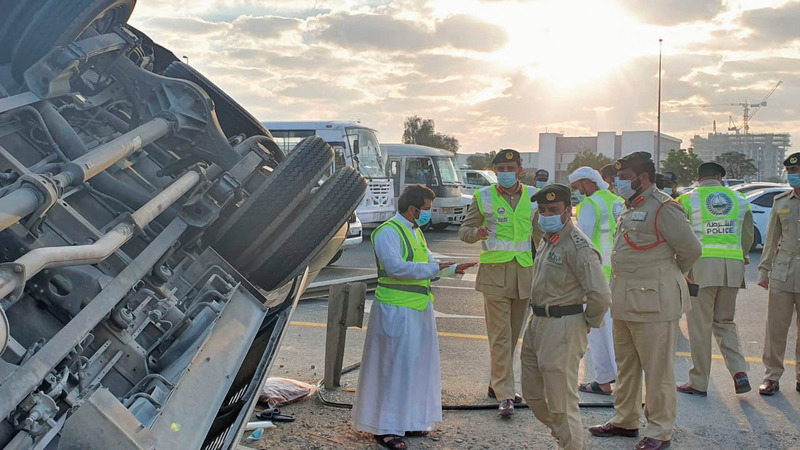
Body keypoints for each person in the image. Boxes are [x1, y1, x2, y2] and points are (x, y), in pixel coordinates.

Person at [589, 151, 701, 450]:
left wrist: (670, 276)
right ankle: (625, 420)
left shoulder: (664, 208)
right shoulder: (629, 207)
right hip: (624, 300)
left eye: (624, 178)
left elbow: (691, 249)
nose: (618, 184)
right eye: (616, 179)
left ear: (644, 177)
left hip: (655, 302)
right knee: (626, 366)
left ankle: (660, 430)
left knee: (657, 369)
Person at [353, 184, 477, 449]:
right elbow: (396, 267)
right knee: (393, 369)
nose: (428, 215)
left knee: (415, 368)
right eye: (427, 209)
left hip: (419, 307)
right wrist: (435, 268)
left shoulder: (415, 231)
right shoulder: (387, 232)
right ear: (412, 209)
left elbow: (429, 263)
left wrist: (451, 268)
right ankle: (386, 428)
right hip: (395, 310)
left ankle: (409, 420)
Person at [521, 184, 611, 450]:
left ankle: (571, 442)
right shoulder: (547, 238)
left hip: (563, 325)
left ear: (568, 210)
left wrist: (587, 323)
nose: (546, 214)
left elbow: (600, 295)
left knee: (562, 400)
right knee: (533, 393)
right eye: (542, 210)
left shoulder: (578, 245)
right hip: (537, 322)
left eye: (553, 209)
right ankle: (565, 435)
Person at [459, 148, 536, 416]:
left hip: (524, 274)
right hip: (494, 275)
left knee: (513, 337)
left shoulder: (533, 197)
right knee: (500, 336)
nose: (505, 173)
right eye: (500, 169)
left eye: (510, 168)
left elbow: (541, 236)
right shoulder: (483, 196)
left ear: (520, 170)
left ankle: (496, 382)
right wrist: (476, 231)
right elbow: (464, 233)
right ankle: (505, 394)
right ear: (494, 172)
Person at [676, 162, 753, 396]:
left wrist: (680, 269)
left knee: (700, 327)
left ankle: (699, 381)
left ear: (698, 178)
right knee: (725, 322)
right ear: (720, 177)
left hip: (700, 269)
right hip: (732, 268)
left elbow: (681, 238)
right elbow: (747, 237)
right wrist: (740, 260)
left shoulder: (687, 200)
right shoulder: (740, 200)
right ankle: (739, 372)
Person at [568, 166, 625, 396]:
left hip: (597, 274)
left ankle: (622, 386)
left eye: (576, 187)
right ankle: (603, 380)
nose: (576, 192)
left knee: (604, 332)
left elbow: (581, 241)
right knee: (603, 331)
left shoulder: (590, 204)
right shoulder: (616, 200)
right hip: (617, 272)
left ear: (586, 182)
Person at [756, 151, 800, 396]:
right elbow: (771, 239)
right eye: (791, 172)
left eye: (798, 171)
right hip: (783, 272)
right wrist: (764, 270)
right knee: (776, 328)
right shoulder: (781, 201)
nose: (794, 176)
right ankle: (772, 376)